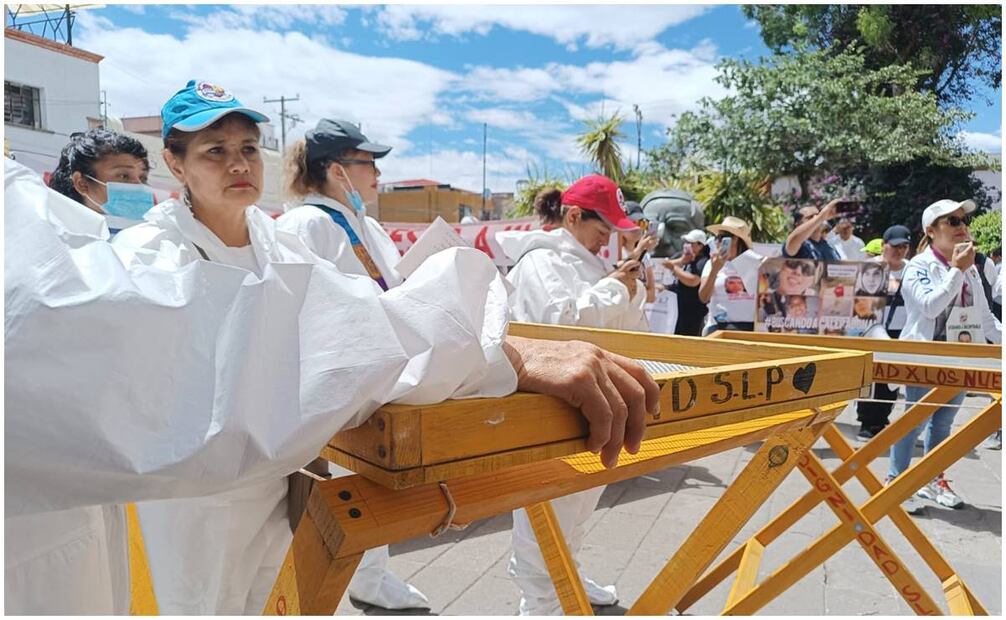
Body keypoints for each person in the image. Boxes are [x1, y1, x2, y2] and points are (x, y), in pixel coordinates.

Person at [105, 81, 659, 615]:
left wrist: (488, 352)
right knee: (199, 600)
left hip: (280, 470)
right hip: (197, 495)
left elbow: (358, 321)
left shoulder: (278, 242)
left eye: (248, 148)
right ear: (174, 164)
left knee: (277, 595)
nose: (239, 165)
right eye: (215, 151)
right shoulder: (150, 255)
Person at [274, 119, 429, 609]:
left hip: (374, 377)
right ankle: (335, 590)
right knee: (336, 499)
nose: (378, 175)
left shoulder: (366, 224)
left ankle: (371, 577)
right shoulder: (302, 225)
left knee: (371, 490)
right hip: (330, 385)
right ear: (337, 170)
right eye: (370, 163)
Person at [497, 174, 646, 615]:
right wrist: (618, 286)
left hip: (597, 402)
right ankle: (538, 600)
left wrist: (630, 292)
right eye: (602, 232)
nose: (606, 242)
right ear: (574, 216)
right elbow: (559, 324)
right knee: (548, 504)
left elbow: (621, 333)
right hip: (552, 407)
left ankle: (566, 573)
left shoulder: (590, 264)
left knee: (581, 499)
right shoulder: (542, 262)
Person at [890, 199, 1001, 514]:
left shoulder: (969, 268)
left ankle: (932, 479)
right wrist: (956, 270)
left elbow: (984, 317)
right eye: (951, 221)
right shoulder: (919, 265)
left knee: (943, 424)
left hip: (961, 353)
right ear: (931, 230)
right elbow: (929, 307)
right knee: (914, 420)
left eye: (963, 220)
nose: (961, 227)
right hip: (928, 355)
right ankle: (895, 481)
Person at [855, 225, 912, 441]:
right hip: (872, 327)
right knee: (871, 377)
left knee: (891, 377)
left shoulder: (912, 269)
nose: (899, 251)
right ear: (884, 246)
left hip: (901, 328)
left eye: (904, 246)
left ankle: (882, 417)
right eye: (895, 246)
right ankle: (867, 422)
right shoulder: (870, 267)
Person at [47, 128, 155, 234]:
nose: (138, 185)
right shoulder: (56, 241)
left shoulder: (155, 239)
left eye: (143, 178)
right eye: (123, 176)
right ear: (82, 184)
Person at [699, 216, 763, 333]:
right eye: (717, 237)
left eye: (722, 237)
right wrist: (715, 270)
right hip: (719, 327)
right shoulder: (711, 263)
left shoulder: (757, 262)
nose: (718, 241)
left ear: (736, 239)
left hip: (750, 328)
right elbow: (703, 297)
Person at [664, 229, 710, 336]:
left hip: (693, 311)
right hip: (678, 308)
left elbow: (694, 280)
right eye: (686, 243)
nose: (687, 245)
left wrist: (675, 269)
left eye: (691, 243)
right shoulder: (683, 257)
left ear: (700, 246)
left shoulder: (702, 261)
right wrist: (681, 261)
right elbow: (665, 264)